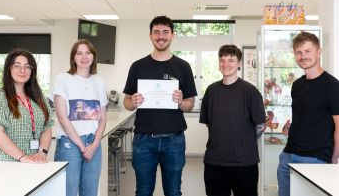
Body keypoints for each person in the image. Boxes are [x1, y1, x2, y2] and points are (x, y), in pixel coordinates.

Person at [123, 15, 197, 196]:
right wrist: (132, 102)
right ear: (150, 36)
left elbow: (190, 104)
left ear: (173, 35)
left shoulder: (183, 67)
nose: (161, 36)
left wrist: (181, 102)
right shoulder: (138, 66)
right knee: (143, 191)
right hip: (143, 140)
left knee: (173, 191)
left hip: (174, 141)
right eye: (156, 32)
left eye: (165, 32)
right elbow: (126, 102)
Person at [277, 31, 339, 196]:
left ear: (318, 52)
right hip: (288, 156)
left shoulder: (332, 86)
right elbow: (305, 117)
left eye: (308, 51)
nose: (303, 56)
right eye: (298, 52)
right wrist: (290, 130)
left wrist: (333, 160)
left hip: (315, 159)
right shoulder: (297, 85)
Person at [199, 45, 265, 196]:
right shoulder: (211, 91)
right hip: (214, 163)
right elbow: (211, 123)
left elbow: (260, 125)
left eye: (231, 60)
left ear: (239, 63)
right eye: (222, 60)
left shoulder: (250, 91)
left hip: (244, 163)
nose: (226, 64)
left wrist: (242, 141)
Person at [51, 39, 107, 196]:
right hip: (70, 143)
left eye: (88, 52)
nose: (84, 56)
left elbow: (102, 118)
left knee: (90, 191)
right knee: (68, 191)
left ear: (93, 56)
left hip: (93, 142)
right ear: (73, 58)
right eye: (79, 53)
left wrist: (95, 144)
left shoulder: (99, 82)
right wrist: (82, 147)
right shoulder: (63, 79)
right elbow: (62, 117)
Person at [0, 48, 53, 163]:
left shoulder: (39, 98)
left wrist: (42, 153)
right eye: (17, 65)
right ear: (9, 69)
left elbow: (47, 127)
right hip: (3, 161)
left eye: (27, 66)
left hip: (32, 161)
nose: (22, 70)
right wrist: (22, 157)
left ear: (32, 71)